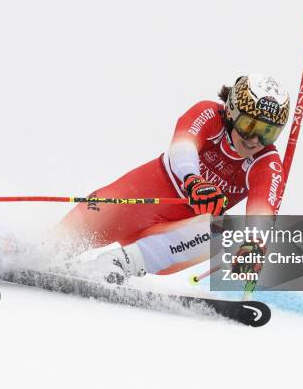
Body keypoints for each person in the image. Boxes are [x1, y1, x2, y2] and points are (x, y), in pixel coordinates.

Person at [57, 73, 290, 284]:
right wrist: (193, 180)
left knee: (223, 228)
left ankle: (116, 265)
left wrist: (255, 245)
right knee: (55, 246)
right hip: (136, 201)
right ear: (231, 112)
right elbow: (183, 145)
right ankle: (38, 249)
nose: (255, 140)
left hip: (168, 241)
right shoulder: (209, 113)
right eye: (250, 125)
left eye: (268, 132)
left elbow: (262, 213)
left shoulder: (267, 163)